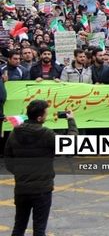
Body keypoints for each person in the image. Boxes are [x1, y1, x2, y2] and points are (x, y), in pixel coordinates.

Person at [4, 100, 78, 236]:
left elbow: (8, 160)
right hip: (42, 190)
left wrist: (21, 173)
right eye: (45, 114)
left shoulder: (15, 133)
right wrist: (71, 121)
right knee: (39, 229)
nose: (46, 116)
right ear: (39, 118)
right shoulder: (46, 134)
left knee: (19, 226)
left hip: (21, 188)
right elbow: (70, 145)